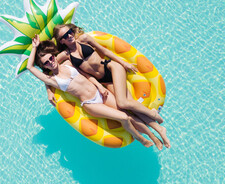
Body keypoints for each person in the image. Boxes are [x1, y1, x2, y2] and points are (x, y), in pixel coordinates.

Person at [27, 35, 169, 149]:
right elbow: (30, 67)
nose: (51, 62)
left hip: (100, 93)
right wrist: (34, 49)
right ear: (44, 66)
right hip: (91, 103)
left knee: (127, 110)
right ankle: (143, 138)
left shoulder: (68, 63)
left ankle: (156, 134)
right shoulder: (52, 80)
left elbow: (87, 75)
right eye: (46, 62)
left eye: (51, 58)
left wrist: (100, 86)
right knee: (125, 117)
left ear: (53, 56)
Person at [53, 24, 164, 125]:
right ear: (61, 41)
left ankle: (153, 114)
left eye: (70, 32)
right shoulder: (66, 55)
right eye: (65, 36)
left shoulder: (84, 39)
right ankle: (157, 126)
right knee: (130, 106)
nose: (69, 36)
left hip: (110, 68)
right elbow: (49, 67)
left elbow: (104, 51)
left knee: (122, 103)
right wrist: (49, 91)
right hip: (104, 81)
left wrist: (124, 64)